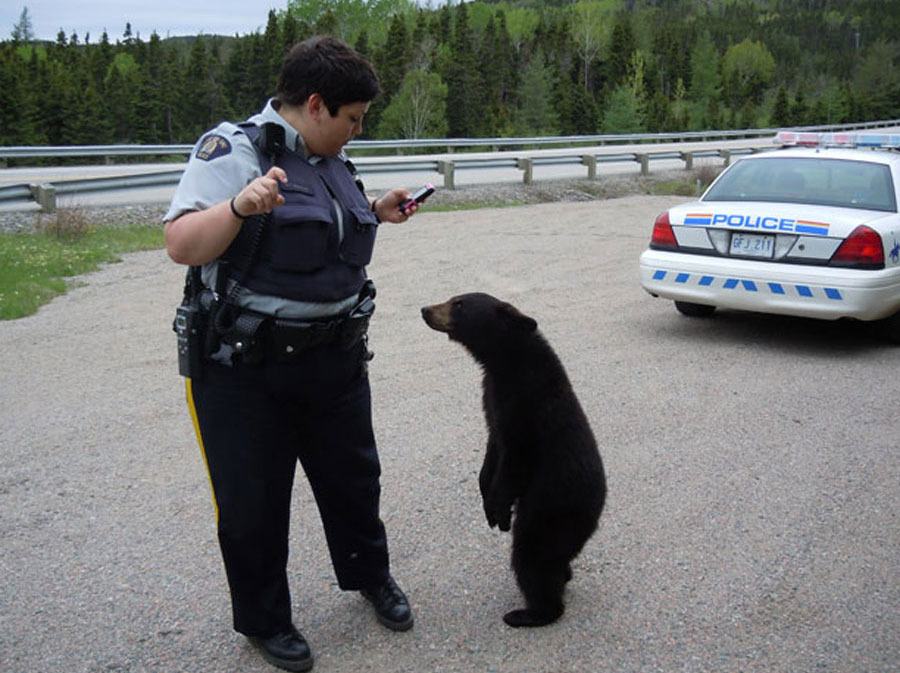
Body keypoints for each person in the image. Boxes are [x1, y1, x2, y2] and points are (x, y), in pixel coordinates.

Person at [164, 36, 418, 673]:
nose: (357, 131)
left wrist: (377, 212)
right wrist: (236, 206)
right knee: (252, 501)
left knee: (354, 481)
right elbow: (181, 244)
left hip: (335, 361)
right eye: (353, 118)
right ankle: (266, 621)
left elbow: (321, 236)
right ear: (314, 104)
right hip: (245, 369)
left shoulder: (331, 158)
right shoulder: (234, 150)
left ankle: (369, 578)